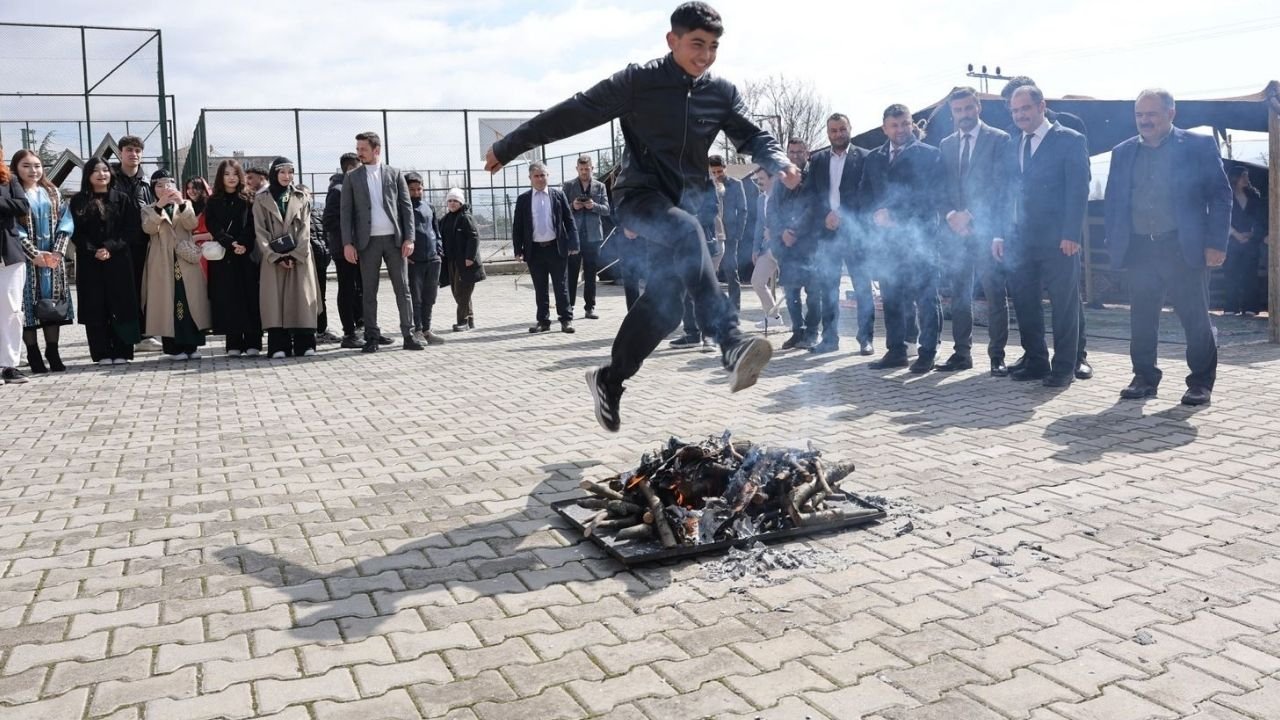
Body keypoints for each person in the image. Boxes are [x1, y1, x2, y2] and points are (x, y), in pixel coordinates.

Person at [487, 2, 799, 432]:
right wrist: (510, 146)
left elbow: (752, 135)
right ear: (672, 41)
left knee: (667, 307)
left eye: (712, 47)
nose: (704, 56)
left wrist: (778, 160)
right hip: (638, 197)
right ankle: (730, 342)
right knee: (688, 233)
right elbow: (573, 111)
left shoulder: (720, 92)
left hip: (687, 203)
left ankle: (609, 380)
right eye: (696, 45)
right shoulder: (638, 82)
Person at [1104, 89, 1231, 406]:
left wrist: (1216, 243)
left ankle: (1200, 382)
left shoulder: (1198, 146)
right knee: (1142, 318)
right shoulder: (1122, 152)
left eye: (1152, 114)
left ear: (1171, 113)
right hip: (1139, 248)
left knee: (1195, 318)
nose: (1144, 121)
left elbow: (1220, 195)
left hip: (1181, 246)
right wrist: (1114, 240)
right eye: (1139, 115)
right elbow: (1113, 201)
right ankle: (1144, 377)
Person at [995, 85, 1090, 387]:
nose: (1020, 114)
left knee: (1064, 304)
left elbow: (1078, 189)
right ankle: (1036, 361)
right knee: (1025, 302)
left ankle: (1064, 367)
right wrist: (999, 234)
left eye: (1025, 108)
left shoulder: (1069, 140)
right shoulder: (1012, 144)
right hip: (1020, 239)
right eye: (1015, 110)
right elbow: (1004, 193)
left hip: (1059, 239)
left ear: (1041, 106)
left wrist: (1071, 233)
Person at [861, 104, 946, 373]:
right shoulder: (873, 158)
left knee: (925, 298)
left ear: (913, 124)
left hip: (919, 240)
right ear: (884, 128)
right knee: (891, 296)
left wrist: (894, 214)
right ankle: (896, 351)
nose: (900, 130)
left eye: (905, 124)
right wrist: (873, 215)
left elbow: (931, 196)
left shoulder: (930, 155)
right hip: (885, 242)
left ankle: (927, 352)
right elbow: (864, 194)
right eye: (894, 125)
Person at [937, 87, 1013, 375]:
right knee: (959, 294)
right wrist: (951, 216)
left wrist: (970, 215)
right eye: (958, 110)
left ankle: (997, 356)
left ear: (978, 107)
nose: (964, 114)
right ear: (952, 113)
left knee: (995, 293)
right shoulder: (945, 145)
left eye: (969, 108)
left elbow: (1000, 186)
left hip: (986, 230)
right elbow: (941, 187)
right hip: (955, 233)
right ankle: (961, 354)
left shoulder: (999, 139)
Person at [340, 131, 421, 352]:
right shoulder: (351, 177)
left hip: (395, 242)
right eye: (357, 149)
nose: (359, 153)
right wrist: (348, 243)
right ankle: (371, 337)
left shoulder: (394, 174)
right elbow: (345, 213)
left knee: (403, 289)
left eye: (363, 149)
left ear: (376, 150)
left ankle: (409, 335)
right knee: (369, 291)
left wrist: (410, 238)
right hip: (367, 244)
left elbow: (406, 208)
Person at [808, 114, 873, 355]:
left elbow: (866, 194)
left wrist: (843, 214)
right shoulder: (817, 160)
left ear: (850, 129)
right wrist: (826, 215)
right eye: (833, 130)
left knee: (862, 287)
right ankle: (829, 338)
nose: (838, 134)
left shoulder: (865, 158)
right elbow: (811, 195)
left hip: (854, 232)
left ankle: (865, 338)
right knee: (828, 288)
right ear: (828, 133)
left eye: (842, 129)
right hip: (827, 233)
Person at [69, 158, 140, 365]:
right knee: (95, 306)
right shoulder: (78, 201)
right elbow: (75, 232)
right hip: (90, 262)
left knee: (121, 304)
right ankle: (101, 353)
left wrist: (110, 247)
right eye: (96, 171)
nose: (102, 174)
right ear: (88, 175)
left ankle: (122, 351)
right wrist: (94, 250)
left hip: (118, 260)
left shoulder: (123, 199)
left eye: (105, 170)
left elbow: (131, 229)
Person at [11, 149, 74, 373]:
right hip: (26, 261)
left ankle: (53, 351)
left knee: (52, 305)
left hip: (53, 261)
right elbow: (14, 228)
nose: (33, 170)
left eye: (37, 166)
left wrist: (56, 253)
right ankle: (33, 353)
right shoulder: (12, 194)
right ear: (16, 168)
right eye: (26, 166)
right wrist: (34, 254)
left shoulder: (52, 192)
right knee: (27, 307)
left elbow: (66, 223)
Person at [253, 157, 320, 358]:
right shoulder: (261, 199)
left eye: (290, 172)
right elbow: (260, 231)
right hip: (273, 260)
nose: (286, 176)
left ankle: (305, 344)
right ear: (274, 173)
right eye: (282, 172)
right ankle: (278, 346)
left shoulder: (301, 197)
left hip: (299, 258)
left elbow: (305, 230)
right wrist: (276, 255)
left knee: (301, 299)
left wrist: (295, 254)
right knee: (275, 302)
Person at [141, 169, 210, 360]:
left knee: (189, 301)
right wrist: (159, 207)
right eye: (159, 185)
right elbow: (149, 228)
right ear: (153, 189)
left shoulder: (185, 204)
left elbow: (191, 224)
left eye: (168, 184)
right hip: (162, 260)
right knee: (167, 303)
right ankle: (173, 348)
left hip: (185, 259)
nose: (165, 189)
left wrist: (180, 203)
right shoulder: (148, 208)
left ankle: (192, 346)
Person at [205, 159, 263, 357]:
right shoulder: (213, 200)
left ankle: (254, 341)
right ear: (221, 177)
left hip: (247, 256)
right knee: (228, 299)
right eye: (226, 174)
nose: (231, 178)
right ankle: (233, 343)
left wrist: (243, 244)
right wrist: (230, 243)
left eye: (235, 173)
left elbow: (253, 225)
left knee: (250, 297)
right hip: (224, 256)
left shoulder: (249, 198)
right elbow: (213, 225)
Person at [513, 162, 578, 334]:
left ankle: (566, 320)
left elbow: (569, 220)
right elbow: (517, 227)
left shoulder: (558, 195)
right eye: (536, 176)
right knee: (540, 287)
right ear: (530, 178)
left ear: (548, 176)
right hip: (534, 250)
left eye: (543, 175)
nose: (540, 179)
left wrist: (574, 243)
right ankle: (543, 321)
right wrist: (518, 250)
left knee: (561, 286)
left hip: (556, 248)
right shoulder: (523, 199)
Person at [111, 134, 161, 353]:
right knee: (121, 292)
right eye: (129, 150)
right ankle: (122, 337)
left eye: (137, 151)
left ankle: (144, 334)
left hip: (143, 245)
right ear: (120, 153)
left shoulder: (146, 184)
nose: (134, 154)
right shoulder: (110, 179)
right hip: (117, 246)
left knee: (144, 290)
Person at [766, 167, 822, 350]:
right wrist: (782, 232)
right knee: (791, 294)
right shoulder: (779, 184)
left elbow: (813, 208)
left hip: (809, 246)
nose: (795, 155)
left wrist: (794, 230)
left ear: (805, 154)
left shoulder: (812, 179)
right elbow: (771, 212)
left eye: (799, 152)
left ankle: (812, 332)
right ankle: (798, 331)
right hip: (786, 248)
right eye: (792, 152)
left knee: (813, 293)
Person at [323, 153, 366, 348]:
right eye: (359, 167)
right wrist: (348, 240)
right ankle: (349, 333)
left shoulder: (353, 187)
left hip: (360, 248)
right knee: (348, 290)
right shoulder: (338, 190)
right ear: (350, 168)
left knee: (361, 289)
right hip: (344, 250)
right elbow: (330, 220)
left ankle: (365, 328)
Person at [564, 155, 611, 319]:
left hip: (593, 237)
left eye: (587, 169)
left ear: (592, 168)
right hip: (574, 236)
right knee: (572, 273)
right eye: (581, 169)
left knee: (591, 274)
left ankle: (590, 307)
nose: (584, 172)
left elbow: (606, 209)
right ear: (577, 169)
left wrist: (594, 206)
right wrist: (573, 206)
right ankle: (568, 306)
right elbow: (561, 210)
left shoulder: (600, 186)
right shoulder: (569, 186)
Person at [0, 144, 31, 384]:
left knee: (11, 310)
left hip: (8, 253)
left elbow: (22, 206)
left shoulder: (9, 180)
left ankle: (9, 365)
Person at [405, 172, 445, 345]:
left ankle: (427, 329)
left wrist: (439, 249)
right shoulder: (402, 208)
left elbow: (436, 230)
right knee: (417, 298)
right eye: (412, 189)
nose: (416, 192)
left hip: (433, 258)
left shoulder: (429, 206)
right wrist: (405, 256)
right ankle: (418, 330)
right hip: (414, 260)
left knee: (430, 296)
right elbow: (399, 234)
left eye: (419, 189)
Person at [1223, 167, 1268, 315]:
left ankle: (1250, 306)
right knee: (1231, 273)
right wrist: (1235, 234)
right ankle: (1231, 307)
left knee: (1250, 273)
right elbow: (1222, 218)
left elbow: (1260, 218)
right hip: (1231, 240)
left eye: (1247, 176)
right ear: (1235, 178)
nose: (1246, 179)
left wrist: (1252, 233)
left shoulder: (1254, 196)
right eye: (1243, 176)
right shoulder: (1226, 195)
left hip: (1250, 241)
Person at [439, 188, 485, 330]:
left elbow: (474, 237)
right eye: (450, 201)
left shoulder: (466, 218)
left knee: (462, 291)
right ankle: (470, 320)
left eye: (456, 201)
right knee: (457, 291)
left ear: (461, 202)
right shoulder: (445, 220)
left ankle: (462, 322)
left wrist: (470, 257)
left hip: (465, 262)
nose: (452, 203)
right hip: (451, 261)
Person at [748, 169, 786, 328]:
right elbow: (759, 224)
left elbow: (790, 217)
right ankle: (774, 318)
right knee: (757, 281)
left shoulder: (783, 196)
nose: (759, 182)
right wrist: (756, 248)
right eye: (757, 179)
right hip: (766, 248)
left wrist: (776, 232)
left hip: (784, 247)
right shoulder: (760, 198)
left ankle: (803, 326)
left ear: (773, 178)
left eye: (762, 178)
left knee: (790, 287)